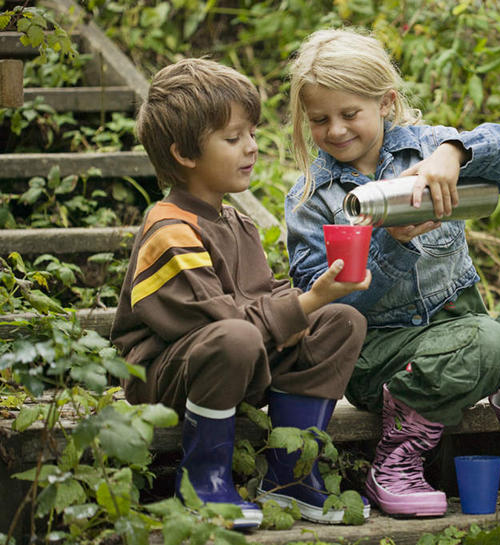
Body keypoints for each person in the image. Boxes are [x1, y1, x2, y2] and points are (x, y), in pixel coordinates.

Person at [284, 28, 500, 518]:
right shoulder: (311, 198)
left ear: (385, 103)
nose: (336, 130)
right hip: (378, 358)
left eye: (349, 114)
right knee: (486, 340)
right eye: (320, 119)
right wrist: (389, 244)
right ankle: (396, 462)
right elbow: (319, 303)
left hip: (461, 331)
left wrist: (455, 152)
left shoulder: (430, 150)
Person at [110, 58, 372, 529]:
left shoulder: (236, 221)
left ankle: (290, 473)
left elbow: (260, 297)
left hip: (239, 357)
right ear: (184, 154)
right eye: (233, 138)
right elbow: (220, 323)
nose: (252, 146)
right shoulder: (169, 229)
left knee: (341, 321)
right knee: (238, 336)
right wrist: (305, 303)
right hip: (170, 377)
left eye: (251, 133)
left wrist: (314, 300)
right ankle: (203, 477)